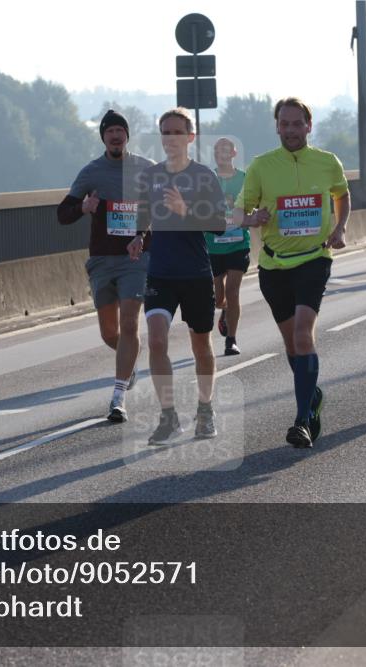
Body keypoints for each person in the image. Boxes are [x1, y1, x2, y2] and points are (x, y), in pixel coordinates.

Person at [232, 97, 349, 448]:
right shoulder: (261, 166)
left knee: (302, 334)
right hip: (273, 266)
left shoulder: (327, 162)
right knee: (291, 345)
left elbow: (342, 194)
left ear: (308, 126)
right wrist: (251, 219)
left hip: (315, 259)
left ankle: (302, 420)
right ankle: (311, 396)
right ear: (277, 126)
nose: (291, 130)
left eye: (297, 123)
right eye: (284, 124)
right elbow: (239, 211)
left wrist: (340, 226)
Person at [127, 108, 226, 445]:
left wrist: (187, 211)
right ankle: (168, 416)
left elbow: (219, 222)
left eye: (177, 132)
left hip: (196, 272)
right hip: (161, 273)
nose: (171, 138)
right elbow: (144, 214)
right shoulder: (151, 176)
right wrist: (139, 236)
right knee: (156, 340)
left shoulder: (203, 176)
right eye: (165, 132)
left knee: (201, 344)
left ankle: (205, 408)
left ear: (190, 137)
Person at [58, 110, 154, 423]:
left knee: (129, 325)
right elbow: (63, 213)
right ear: (103, 137)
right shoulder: (92, 172)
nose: (115, 136)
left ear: (127, 136)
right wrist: (84, 206)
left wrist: (142, 233)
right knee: (109, 332)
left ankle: (118, 397)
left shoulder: (145, 168)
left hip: (136, 258)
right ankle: (129, 362)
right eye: (110, 131)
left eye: (120, 130)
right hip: (102, 259)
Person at [207, 137, 250, 356]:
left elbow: (254, 203)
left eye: (225, 150)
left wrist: (249, 215)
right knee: (218, 297)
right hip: (212, 245)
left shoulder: (245, 178)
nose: (220, 153)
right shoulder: (208, 178)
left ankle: (231, 340)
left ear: (233, 154)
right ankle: (224, 311)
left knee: (233, 292)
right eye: (217, 150)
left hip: (238, 243)